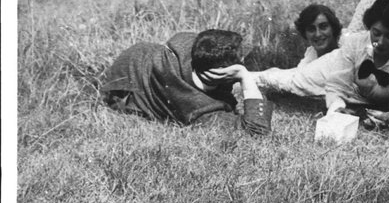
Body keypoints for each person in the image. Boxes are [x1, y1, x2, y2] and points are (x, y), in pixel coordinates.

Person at [101, 29, 272, 135]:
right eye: (241, 63)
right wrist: (246, 78)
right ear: (221, 73)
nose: (245, 64)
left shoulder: (190, 47)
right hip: (125, 87)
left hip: (137, 55)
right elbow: (257, 130)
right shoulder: (199, 108)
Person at [318, 0, 389, 130]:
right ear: (370, 28)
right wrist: (337, 108)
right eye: (376, 33)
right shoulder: (354, 43)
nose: (380, 42)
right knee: (295, 81)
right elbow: (336, 86)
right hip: (331, 69)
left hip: (366, 99)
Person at [251, 5, 343, 99]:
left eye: (323, 27)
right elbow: (299, 73)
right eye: (311, 29)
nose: (318, 34)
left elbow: (296, 81)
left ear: (333, 28)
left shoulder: (342, 54)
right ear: (305, 33)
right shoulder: (312, 53)